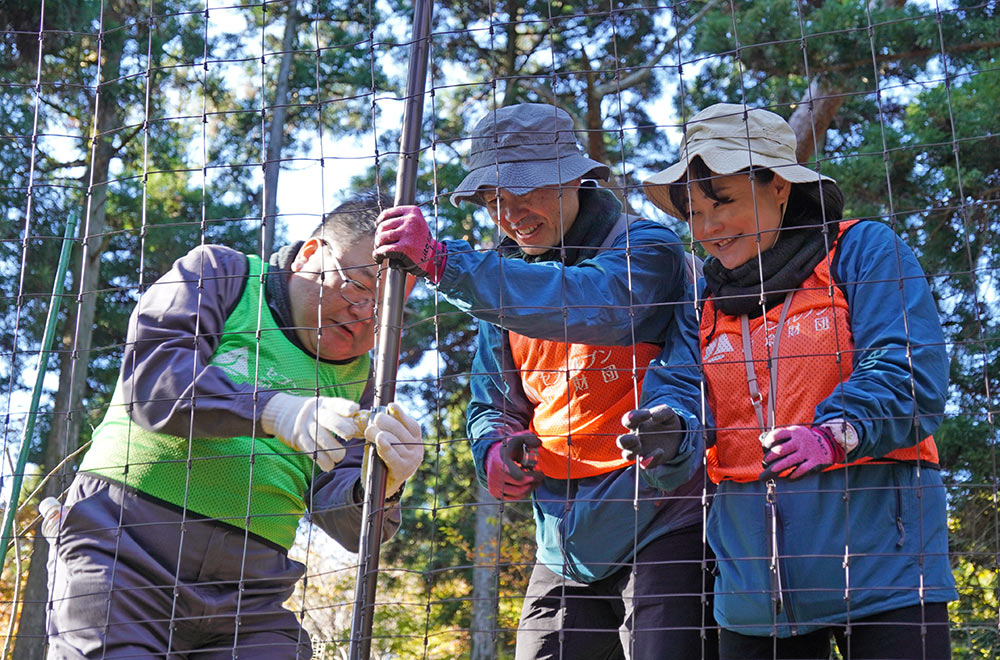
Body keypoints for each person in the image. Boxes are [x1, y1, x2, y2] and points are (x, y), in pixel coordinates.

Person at [374, 103, 717, 660]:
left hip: (666, 521)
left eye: (526, 192)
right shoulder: (497, 290)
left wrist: (444, 263)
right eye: (494, 202)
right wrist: (493, 451)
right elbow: (491, 404)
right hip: (561, 540)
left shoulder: (648, 250)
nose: (511, 215)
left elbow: (597, 303)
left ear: (574, 177)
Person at [636, 103, 957, 659]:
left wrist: (835, 432)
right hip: (753, 602)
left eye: (725, 202)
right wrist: (671, 430)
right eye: (692, 212)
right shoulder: (699, 299)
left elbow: (911, 371)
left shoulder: (863, 250)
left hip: (889, 579)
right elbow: (681, 390)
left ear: (780, 186)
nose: (707, 228)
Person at [45, 193, 425, 659]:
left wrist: (381, 485)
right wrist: (274, 410)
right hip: (122, 551)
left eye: (385, 310)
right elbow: (153, 383)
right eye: (359, 286)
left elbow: (344, 519)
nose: (366, 313)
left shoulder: (362, 375)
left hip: (251, 594)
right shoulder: (221, 274)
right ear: (311, 253)